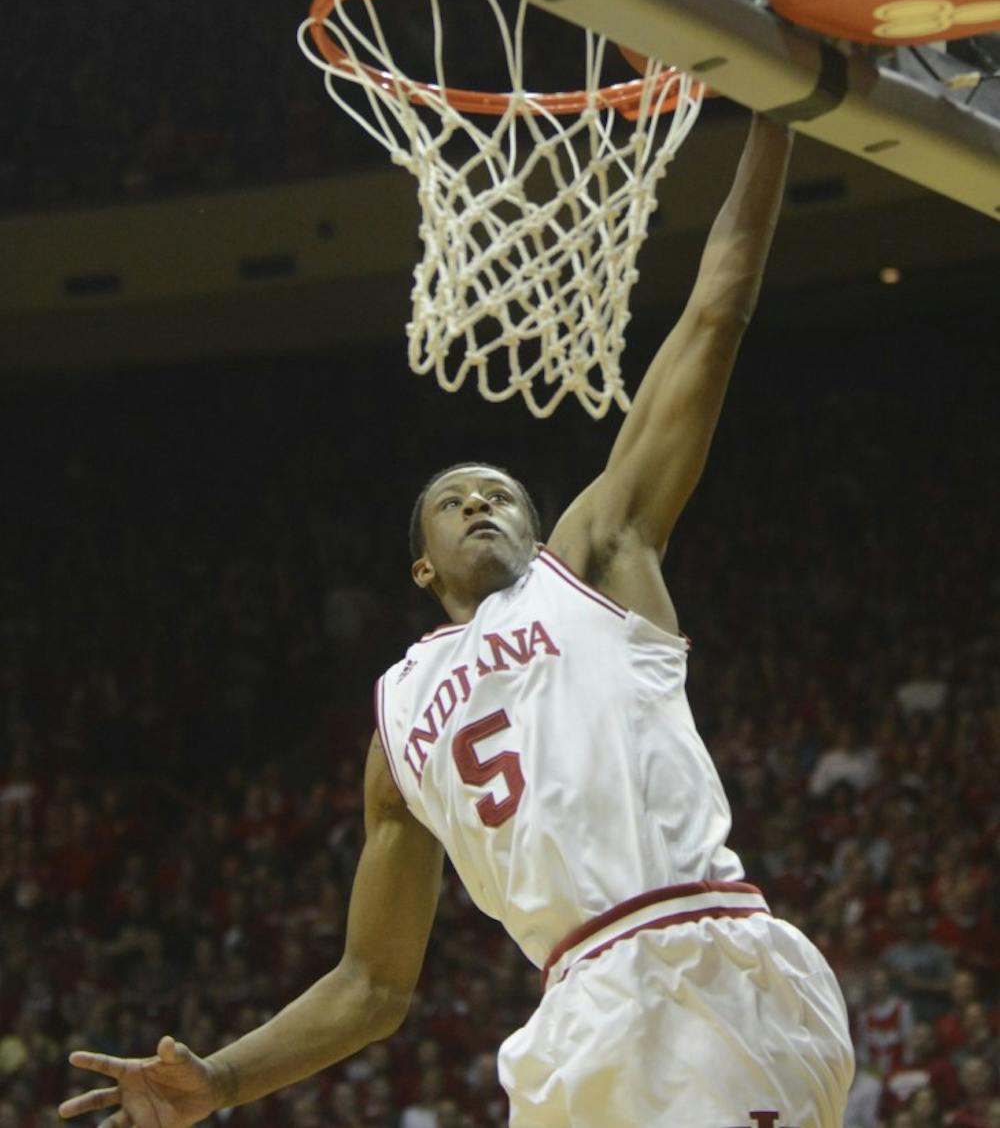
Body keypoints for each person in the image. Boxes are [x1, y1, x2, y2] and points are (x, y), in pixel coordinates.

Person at [58, 115, 854, 1128]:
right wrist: (221, 1079)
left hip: (700, 966)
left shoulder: (597, 560)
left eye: (501, 492)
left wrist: (773, 112)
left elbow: (714, 314)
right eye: (455, 497)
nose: (483, 500)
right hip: (572, 1016)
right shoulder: (397, 721)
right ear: (422, 563)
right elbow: (372, 984)